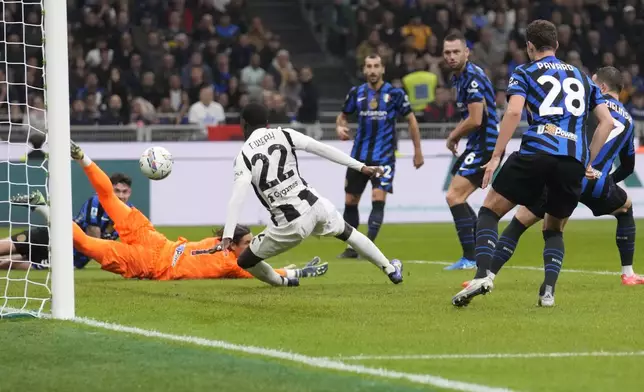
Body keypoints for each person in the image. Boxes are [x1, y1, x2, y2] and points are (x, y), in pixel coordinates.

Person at [451, 20, 614, 307]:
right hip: (572, 160)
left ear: (529, 46)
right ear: (557, 45)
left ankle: (482, 275)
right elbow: (607, 122)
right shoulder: (582, 76)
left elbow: (513, 112)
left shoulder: (524, 72)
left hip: (538, 150)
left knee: (490, 209)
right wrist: (588, 158)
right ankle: (548, 291)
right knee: (553, 228)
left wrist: (496, 157)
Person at [69, 142, 328, 281]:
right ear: (233, 243)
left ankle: (75, 168)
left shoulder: (224, 248)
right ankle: (80, 160)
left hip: (150, 253)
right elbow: (270, 274)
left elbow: (267, 270)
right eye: (248, 243)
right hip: (150, 251)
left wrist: (294, 269)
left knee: (87, 236)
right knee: (95, 221)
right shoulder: (235, 264)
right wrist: (300, 272)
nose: (251, 248)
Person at [481, 67, 641, 286]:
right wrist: (606, 181)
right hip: (598, 182)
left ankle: (487, 276)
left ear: (602, 87)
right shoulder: (629, 121)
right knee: (626, 208)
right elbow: (628, 166)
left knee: (522, 221)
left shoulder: (588, 102)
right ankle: (628, 273)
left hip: (570, 170)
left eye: (594, 83)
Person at [220, 103, 403, 287]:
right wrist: (360, 166)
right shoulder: (284, 134)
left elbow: (238, 197)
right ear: (267, 122)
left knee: (245, 261)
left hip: (289, 223)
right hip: (314, 204)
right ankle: (390, 269)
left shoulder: (243, 157)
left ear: (243, 123)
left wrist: (228, 234)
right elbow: (321, 148)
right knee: (348, 232)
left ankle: (283, 282)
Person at [335, 54, 424, 259]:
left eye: (376, 66)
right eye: (369, 66)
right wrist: (340, 127)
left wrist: (417, 150)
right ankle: (351, 248)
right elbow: (342, 116)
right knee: (350, 201)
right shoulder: (356, 93)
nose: (373, 70)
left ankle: (368, 248)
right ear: (364, 70)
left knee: (378, 197)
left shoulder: (395, 94)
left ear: (383, 69)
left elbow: (411, 121)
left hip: (384, 157)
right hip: (358, 157)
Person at [442, 32, 500, 271]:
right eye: (447, 52)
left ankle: (471, 257)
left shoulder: (472, 77)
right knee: (457, 196)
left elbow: (476, 119)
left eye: (456, 51)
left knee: (454, 196)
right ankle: (481, 251)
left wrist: (453, 135)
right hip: (477, 144)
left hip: (485, 145)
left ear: (467, 52)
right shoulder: (459, 78)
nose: (451, 56)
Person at [0, 172, 134, 270]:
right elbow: (94, 237)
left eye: (125, 192)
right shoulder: (97, 202)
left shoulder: (130, 214)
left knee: (6, 265)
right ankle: (42, 207)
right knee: (5, 247)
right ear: (109, 191)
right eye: (117, 191)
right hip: (53, 237)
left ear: (130, 193)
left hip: (71, 260)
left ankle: (42, 207)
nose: (121, 196)